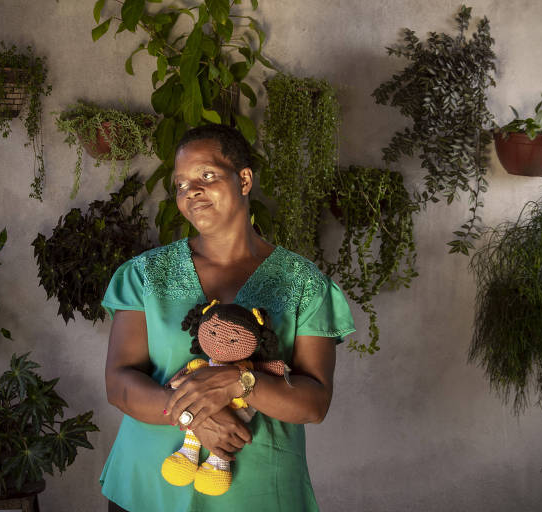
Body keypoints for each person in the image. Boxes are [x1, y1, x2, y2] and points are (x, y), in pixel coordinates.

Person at [100, 124, 356, 511]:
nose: (192, 192)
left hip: (256, 494)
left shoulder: (303, 283)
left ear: (245, 180)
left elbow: (314, 403)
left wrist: (238, 381)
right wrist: (191, 415)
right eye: (181, 184)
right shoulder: (146, 275)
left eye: (206, 175)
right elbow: (119, 383)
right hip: (149, 487)